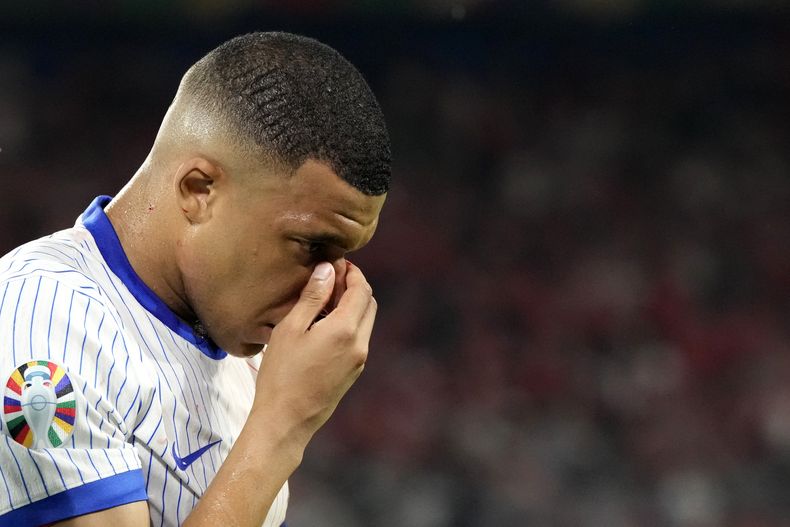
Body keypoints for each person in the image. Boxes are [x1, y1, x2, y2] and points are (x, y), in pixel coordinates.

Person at [0, 31, 390, 526]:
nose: (327, 290)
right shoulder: (44, 322)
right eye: (312, 247)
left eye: (343, 259)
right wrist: (280, 429)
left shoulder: (240, 342)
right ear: (199, 190)